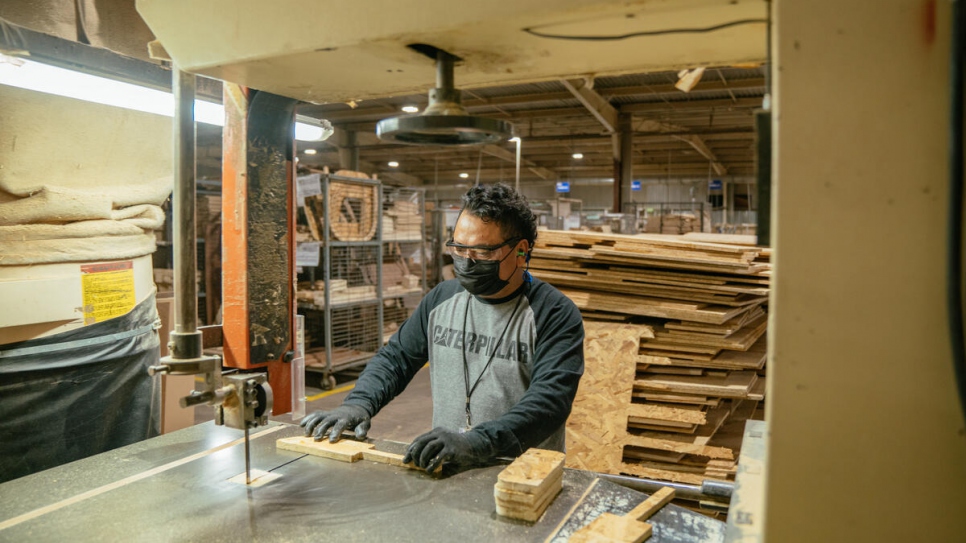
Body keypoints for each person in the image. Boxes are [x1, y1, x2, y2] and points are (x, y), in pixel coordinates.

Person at [300, 183, 584, 473]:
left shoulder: (554, 314)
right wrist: (358, 403)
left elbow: (549, 402)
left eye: (482, 253)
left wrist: (478, 442)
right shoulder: (442, 300)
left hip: (525, 477)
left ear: (521, 251)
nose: (466, 262)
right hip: (451, 464)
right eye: (459, 248)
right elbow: (396, 359)